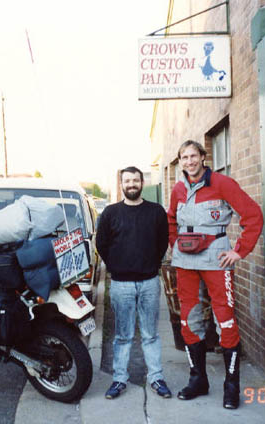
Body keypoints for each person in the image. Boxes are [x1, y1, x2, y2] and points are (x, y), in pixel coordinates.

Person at [167, 140, 263, 409]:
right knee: (189, 319)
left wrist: (239, 251)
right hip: (186, 263)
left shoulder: (223, 183)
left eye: (193, 155)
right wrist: (175, 245)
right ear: (181, 161)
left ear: (202, 157)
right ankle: (198, 380)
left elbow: (253, 216)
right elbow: (171, 220)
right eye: (184, 157)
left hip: (217, 260)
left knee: (226, 320)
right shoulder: (178, 188)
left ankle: (231, 387)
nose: (189, 161)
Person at [96, 166, 171, 400]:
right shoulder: (110, 213)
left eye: (136, 180)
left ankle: (156, 378)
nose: (131, 184)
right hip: (121, 285)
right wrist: (118, 266)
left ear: (141, 183)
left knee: (150, 334)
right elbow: (102, 245)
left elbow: (162, 243)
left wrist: (150, 263)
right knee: (123, 335)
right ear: (121, 184)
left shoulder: (156, 211)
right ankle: (119, 379)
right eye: (127, 181)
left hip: (149, 282)